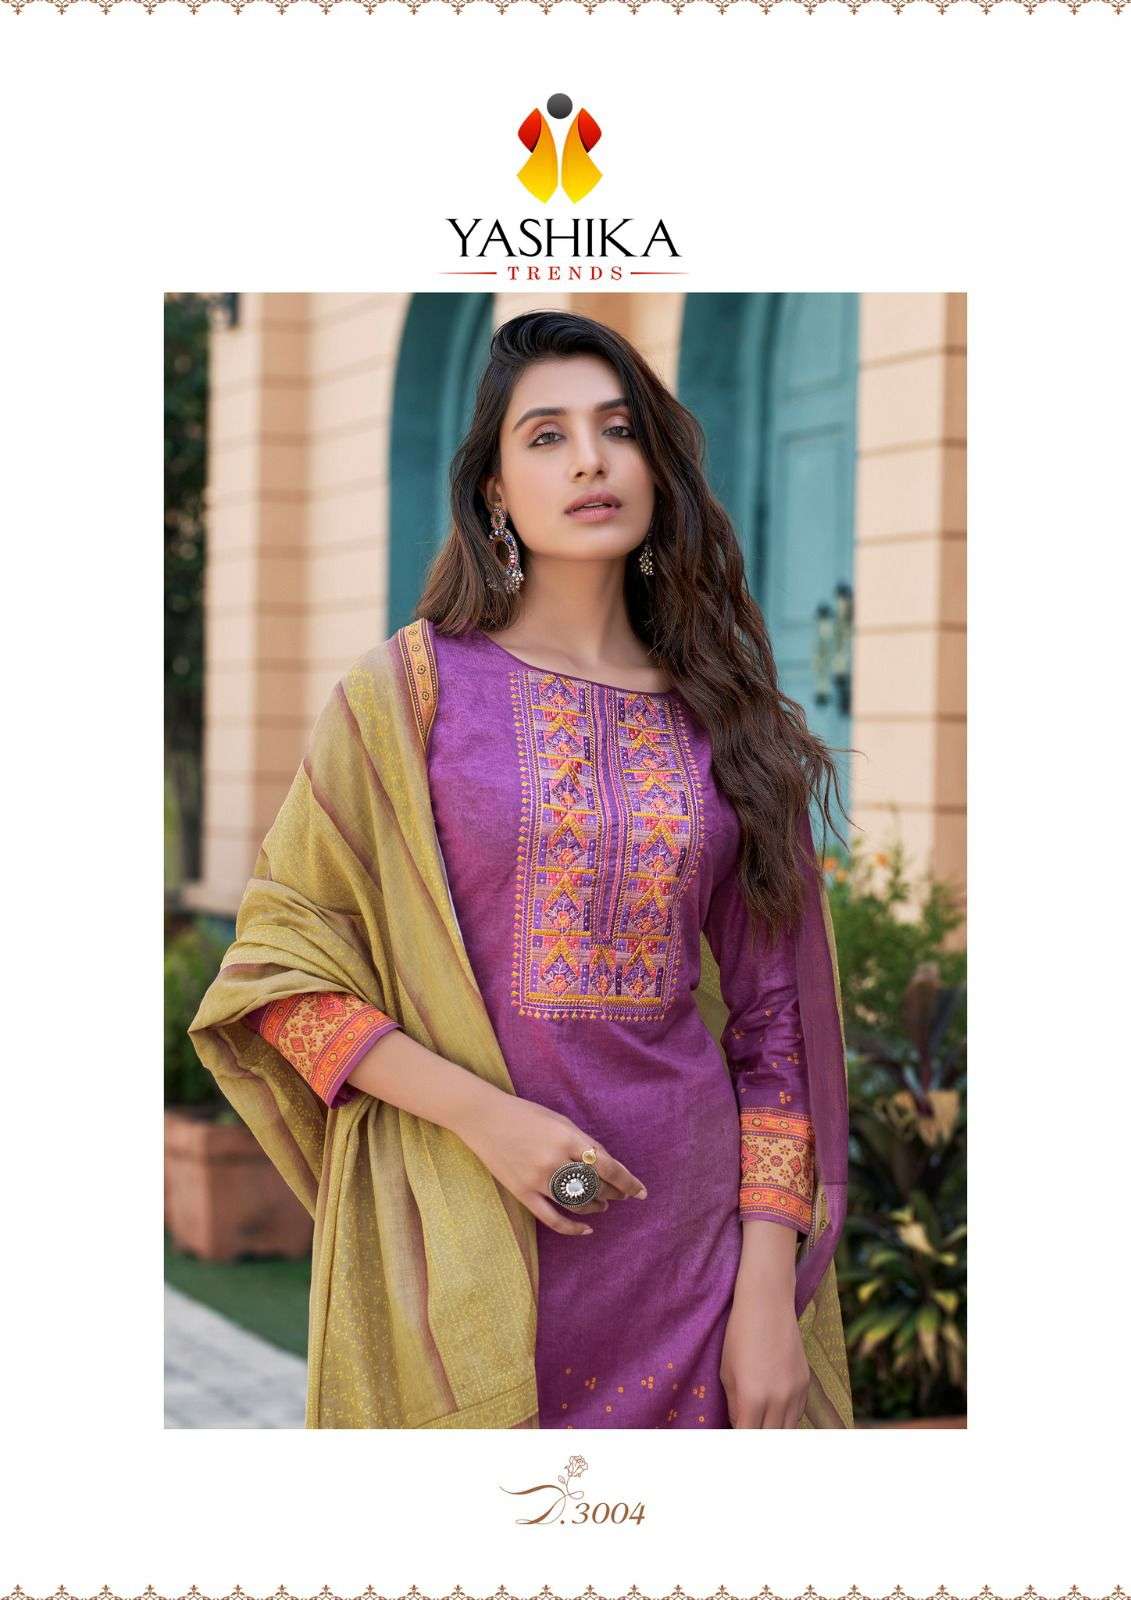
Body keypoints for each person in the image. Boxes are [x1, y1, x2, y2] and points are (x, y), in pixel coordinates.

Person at [188, 308, 853, 1431]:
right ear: (494, 490)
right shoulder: (407, 697)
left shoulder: (727, 719)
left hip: (692, 1258)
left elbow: (775, 1026)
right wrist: (488, 1120)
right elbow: (275, 980)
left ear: (657, 466)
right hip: (460, 1238)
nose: (590, 459)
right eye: (547, 436)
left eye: (618, 429)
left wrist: (763, 1300)